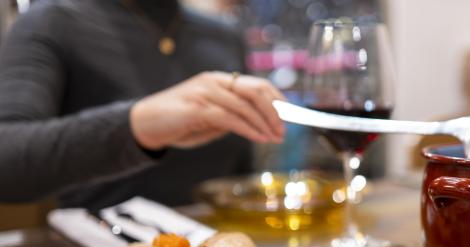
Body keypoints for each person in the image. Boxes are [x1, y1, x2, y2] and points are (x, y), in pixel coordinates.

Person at [0, 0, 285, 212]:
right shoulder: (53, 21)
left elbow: (240, 175)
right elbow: (7, 161)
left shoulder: (224, 37)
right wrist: (138, 124)